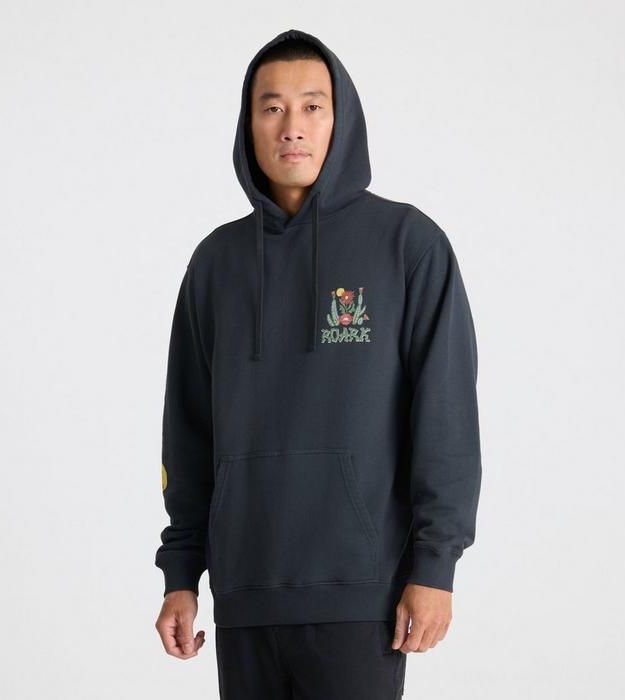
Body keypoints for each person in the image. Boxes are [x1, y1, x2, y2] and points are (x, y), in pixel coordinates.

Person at [154, 28, 482, 699]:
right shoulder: (215, 264)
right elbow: (187, 431)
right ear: (249, 124)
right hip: (244, 596)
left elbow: (445, 417)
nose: (292, 127)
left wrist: (435, 568)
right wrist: (182, 574)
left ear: (343, 119)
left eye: (312, 106)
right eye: (271, 107)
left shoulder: (407, 246)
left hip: (361, 594)